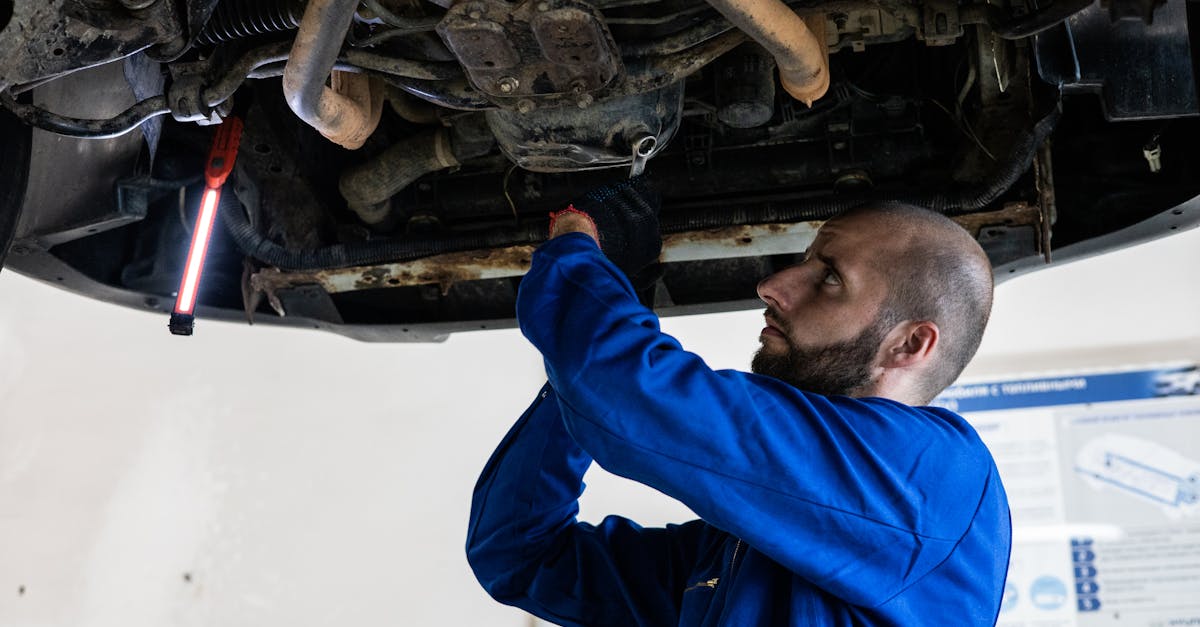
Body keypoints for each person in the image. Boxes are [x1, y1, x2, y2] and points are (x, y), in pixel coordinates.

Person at [465, 178, 1011, 626]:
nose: (773, 284)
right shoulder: (748, 555)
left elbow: (624, 393)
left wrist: (580, 244)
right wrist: (578, 369)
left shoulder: (933, 476)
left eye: (828, 278)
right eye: (805, 261)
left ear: (910, 344)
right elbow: (520, 556)